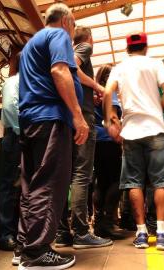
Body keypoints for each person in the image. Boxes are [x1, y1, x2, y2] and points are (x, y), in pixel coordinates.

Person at [17, 3, 88, 269]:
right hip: (50, 119)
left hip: (31, 121)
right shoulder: (58, 35)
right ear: (67, 21)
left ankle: (23, 246)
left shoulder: (30, 45)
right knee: (50, 183)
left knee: (31, 186)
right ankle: (37, 252)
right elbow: (60, 71)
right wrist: (78, 115)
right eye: (74, 25)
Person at [103, 32, 164, 251]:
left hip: (131, 132)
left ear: (128, 49)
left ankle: (141, 233)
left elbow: (108, 92)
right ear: (145, 47)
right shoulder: (155, 64)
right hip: (155, 129)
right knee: (161, 182)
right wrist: (158, 109)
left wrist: (110, 120)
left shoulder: (120, 67)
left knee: (134, 182)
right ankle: (162, 234)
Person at [56, 26, 112, 249]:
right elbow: (73, 68)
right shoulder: (84, 47)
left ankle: (62, 232)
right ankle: (81, 231)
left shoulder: (67, 50)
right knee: (82, 173)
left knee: (67, 174)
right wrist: (97, 85)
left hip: (69, 115)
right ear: (89, 38)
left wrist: (89, 91)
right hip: (83, 117)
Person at [92, 65, 124, 239]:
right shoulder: (109, 93)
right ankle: (106, 221)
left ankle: (98, 223)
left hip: (95, 140)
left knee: (102, 181)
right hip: (108, 140)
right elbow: (113, 117)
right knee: (119, 180)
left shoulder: (94, 93)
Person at [0, 52, 21, 253]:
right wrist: (25, 132)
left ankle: (12, 233)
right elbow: (12, 108)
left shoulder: (14, 81)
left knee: (14, 187)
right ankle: (6, 235)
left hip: (13, 135)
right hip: (16, 136)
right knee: (10, 188)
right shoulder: (16, 81)